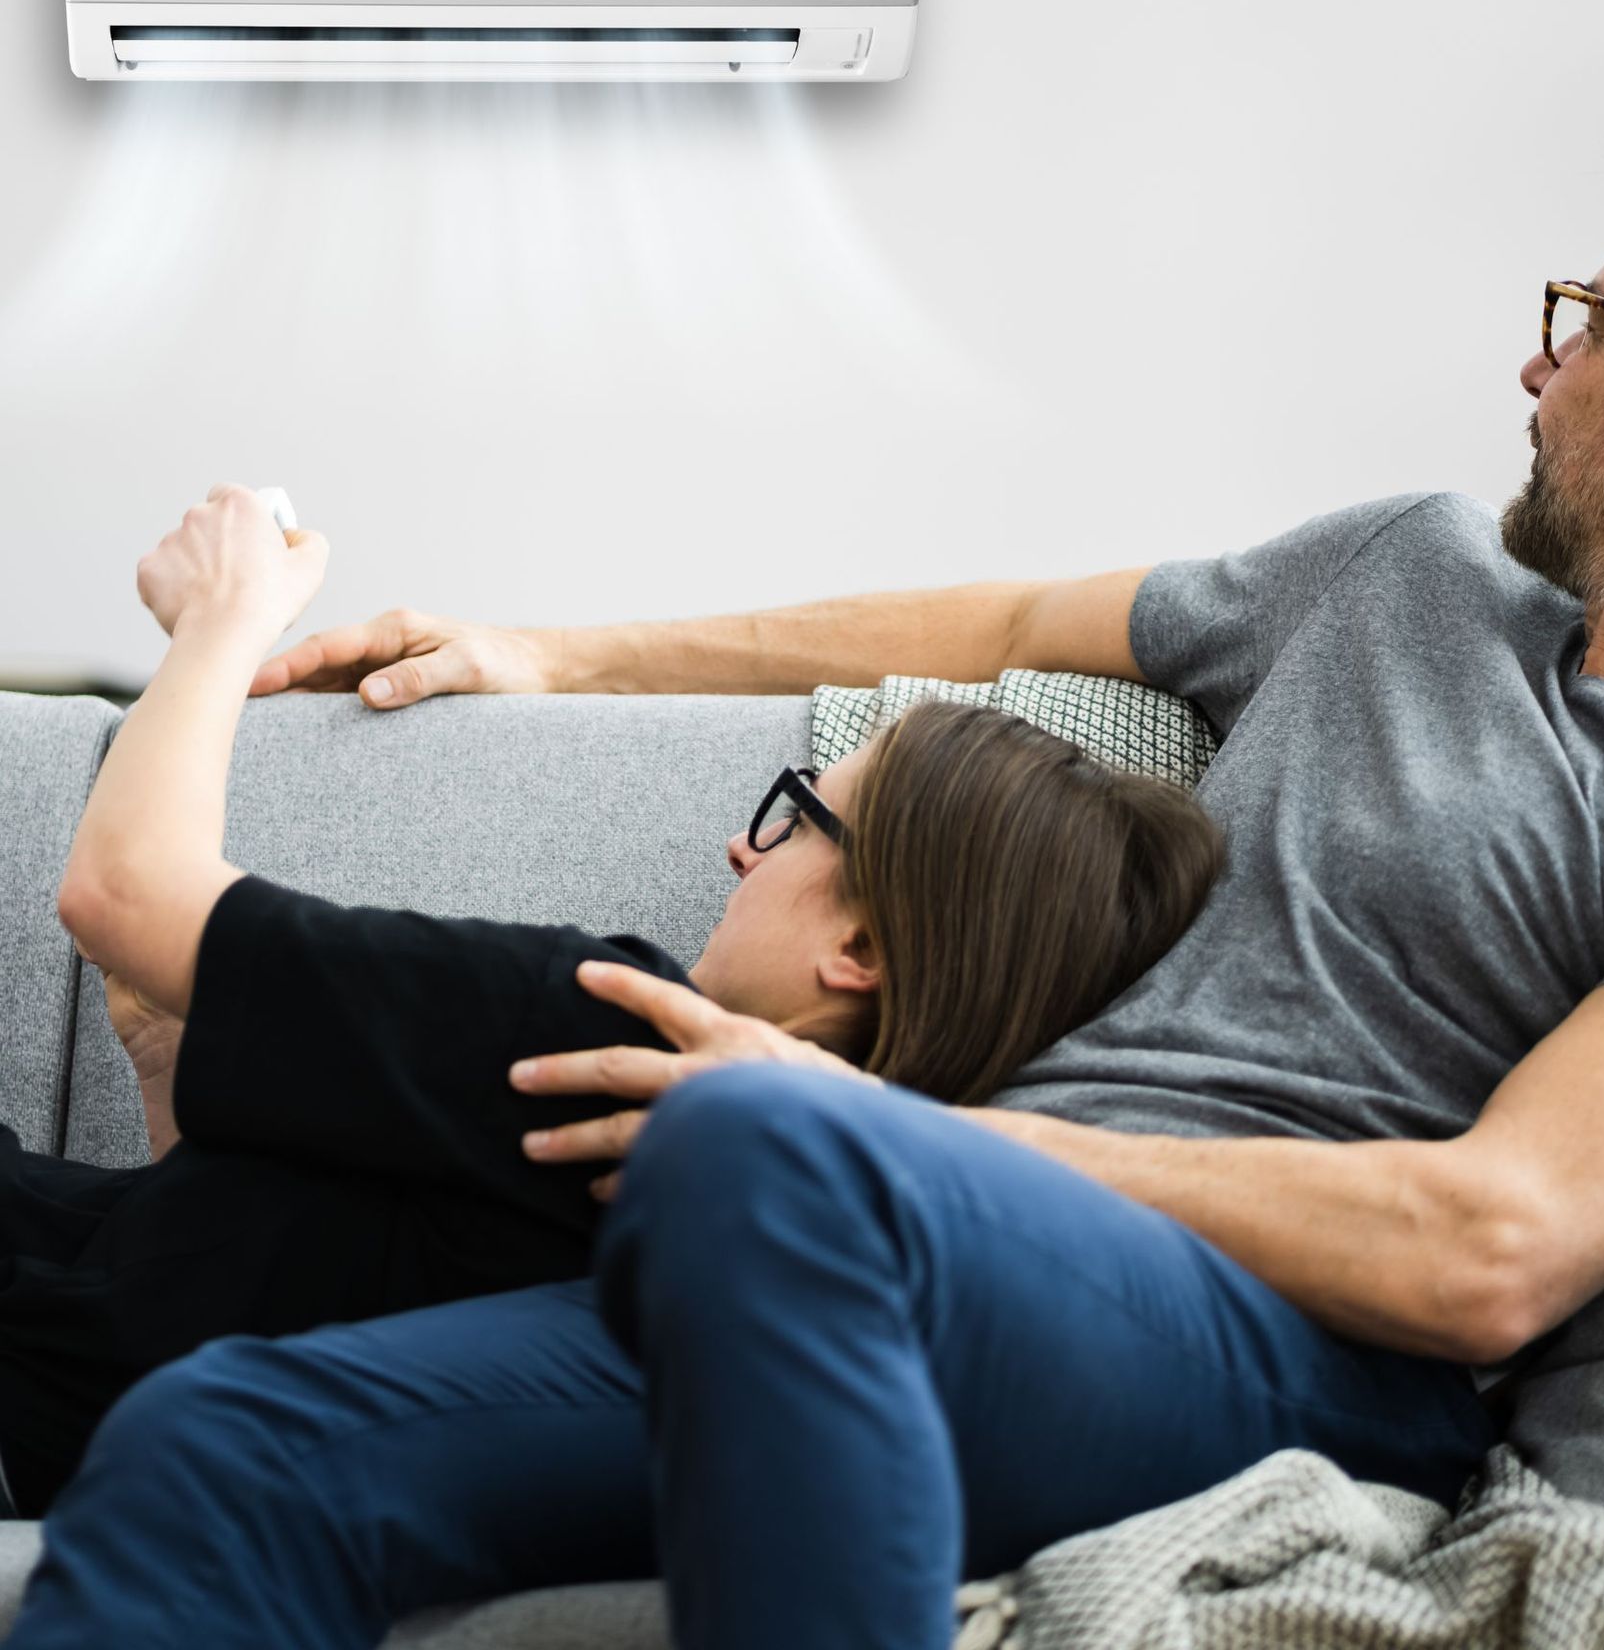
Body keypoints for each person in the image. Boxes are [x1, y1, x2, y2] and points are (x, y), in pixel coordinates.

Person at [14, 109, 1604, 1650]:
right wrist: (561, 653)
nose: (1537, 356)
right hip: (883, 1255)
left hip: (1276, 1352)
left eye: (1586, 321)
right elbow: (1009, 615)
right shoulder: (1403, 572)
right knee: (218, 1439)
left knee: (757, 1154)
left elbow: (1487, 1249)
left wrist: (872, 1128)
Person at [0, 491, 1223, 1521]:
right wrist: (164, 1055)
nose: (743, 854)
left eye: (797, 816)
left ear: (859, 943)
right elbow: (209, 1297)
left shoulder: (600, 1022)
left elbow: (122, 892)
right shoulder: (784, 1235)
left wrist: (220, 620)